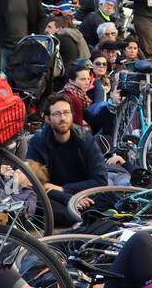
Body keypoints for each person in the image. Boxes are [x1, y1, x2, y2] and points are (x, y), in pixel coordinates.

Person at [26, 93, 110, 226]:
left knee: (108, 199)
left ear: (72, 115)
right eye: (57, 114)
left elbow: (100, 179)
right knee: (35, 200)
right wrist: (67, 198)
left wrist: (65, 189)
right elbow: (35, 183)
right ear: (47, 119)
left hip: (83, 194)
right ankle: (79, 218)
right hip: (54, 197)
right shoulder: (38, 142)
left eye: (66, 112)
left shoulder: (85, 139)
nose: (63, 118)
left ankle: (80, 217)